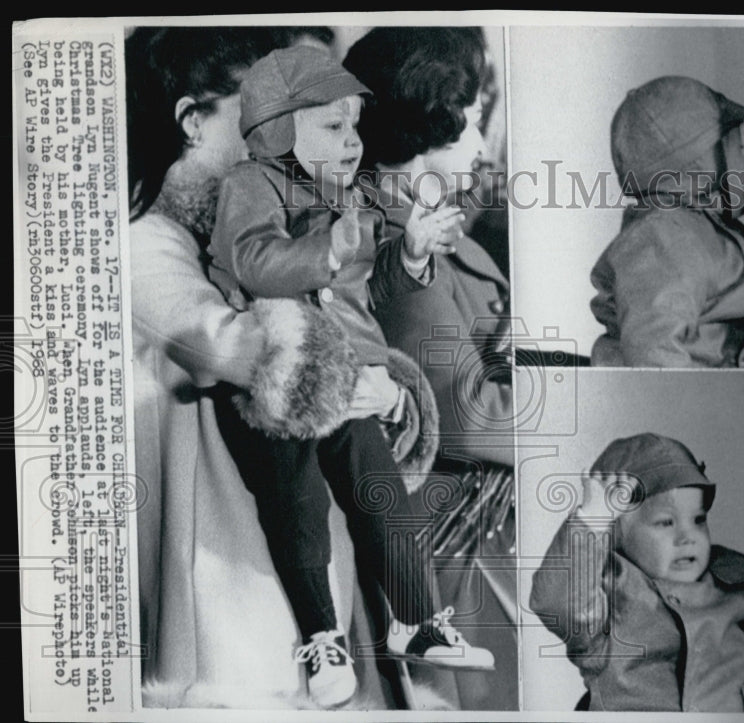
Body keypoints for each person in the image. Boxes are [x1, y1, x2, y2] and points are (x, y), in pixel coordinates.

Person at [206, 45, 495, 705]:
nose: (353, 142)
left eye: (355, 127)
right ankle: (322, 635)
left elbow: (370, 291)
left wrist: (410, 254)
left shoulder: (346, 195)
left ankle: (417, 620)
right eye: (333, 127)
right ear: (278, 129)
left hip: (349, 379)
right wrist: (329, 248)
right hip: (281, 385)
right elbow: (254, 263)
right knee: (299, 502)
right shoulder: (251, 184)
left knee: (383, 492)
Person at [126, 27, 390, 709]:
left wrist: (387, 385)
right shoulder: (146, 243)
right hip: (225, 607)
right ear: (192, 120)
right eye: (256, 112)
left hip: (292, 580)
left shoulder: (252, 222)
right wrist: (362, 372)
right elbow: (245, 350)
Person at [343, 27, 517, 711]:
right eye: (466, 125)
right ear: (419, 135)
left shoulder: (432, 233)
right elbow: (469, 417)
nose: (479, 148)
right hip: (460, 552)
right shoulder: (391, 244)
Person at [530, 434, 744, 711]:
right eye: (666, 523)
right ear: (616, 534)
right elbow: (558, 603)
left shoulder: (733, 580)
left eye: (698, 520)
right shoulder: (607, 598)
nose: (687, 537)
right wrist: (591, 522)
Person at [588, 76, 744, 368]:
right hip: (687, 392)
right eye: (739, 149)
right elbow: (654, 350)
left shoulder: (702, 229)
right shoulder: (667, 237)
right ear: (701, 164)